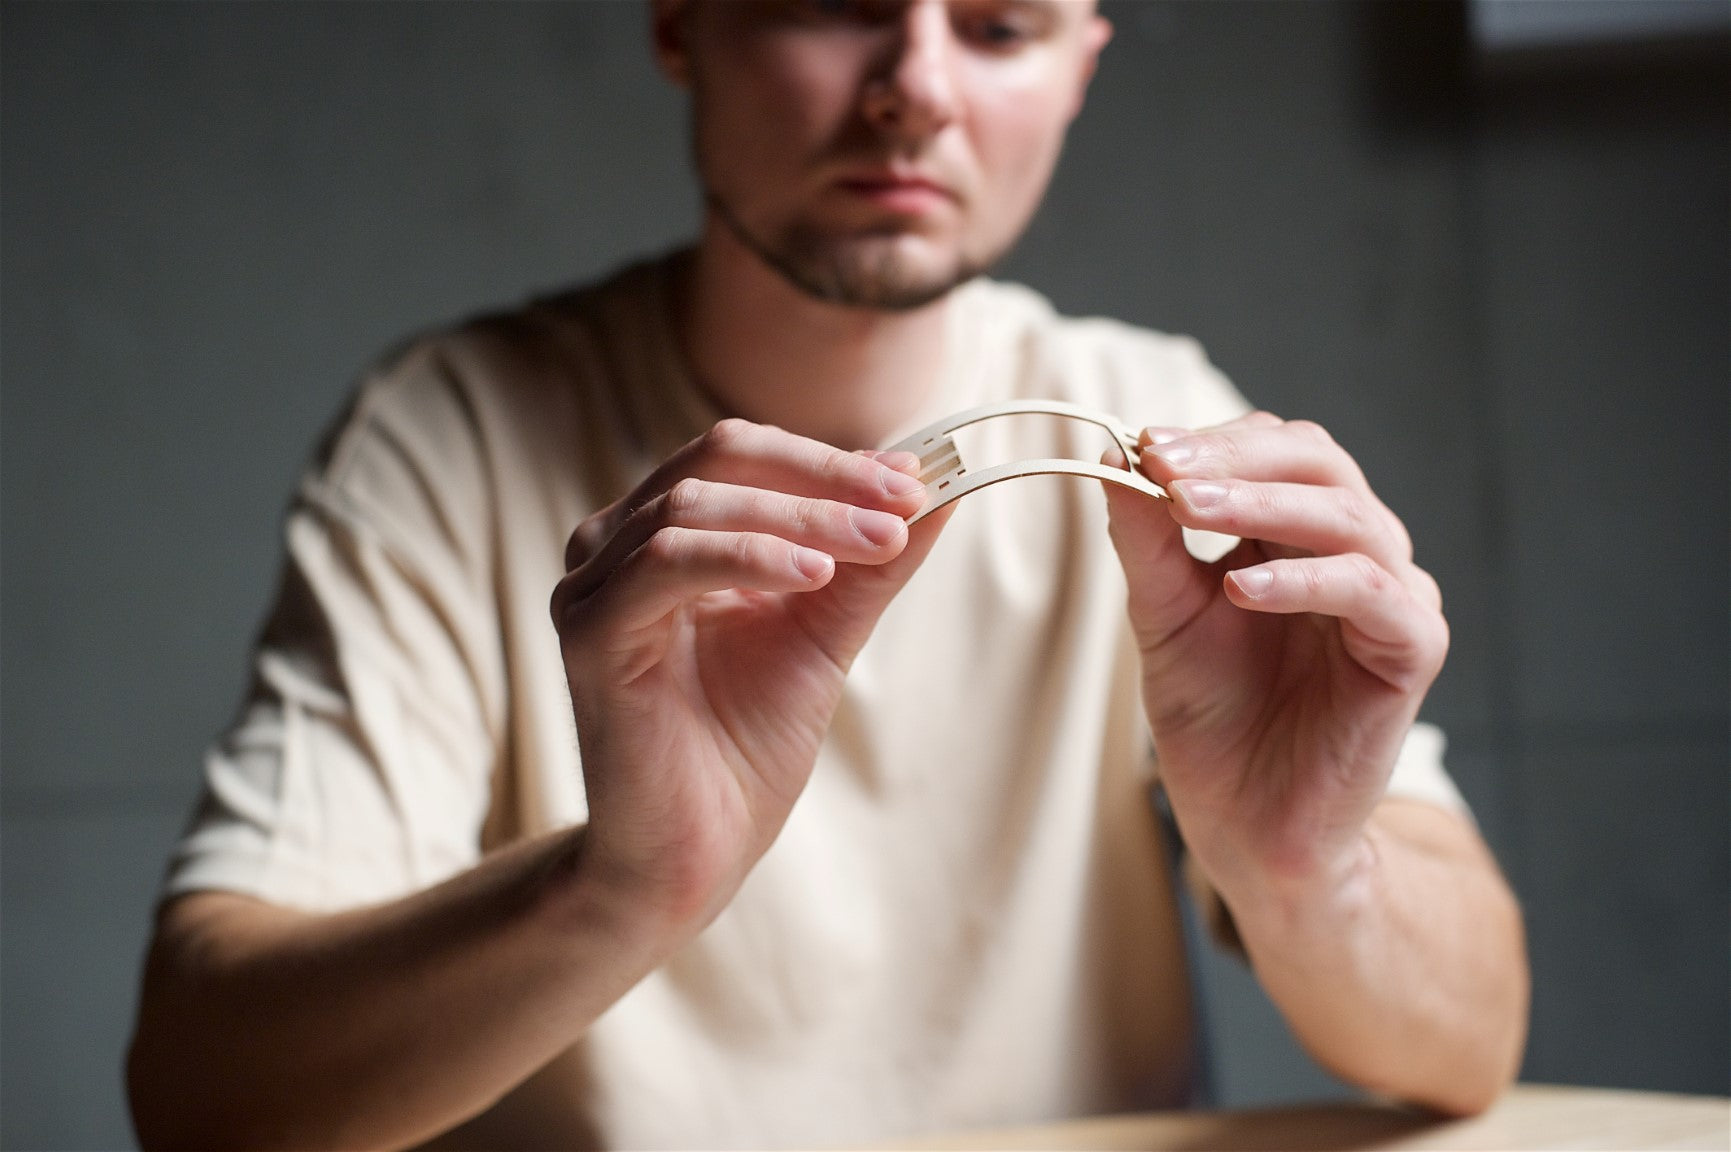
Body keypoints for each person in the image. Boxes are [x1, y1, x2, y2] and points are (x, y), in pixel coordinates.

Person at [126, 1, 1529, 1148]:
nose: (913, 90)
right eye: (835, 6)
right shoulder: (451, 431)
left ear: (1080, 65)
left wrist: (1305, 870)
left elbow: (1471, 1045)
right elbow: (203, 1098)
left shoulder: (1155, 425)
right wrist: (624, 888)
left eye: (996, 28)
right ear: (681, 27)